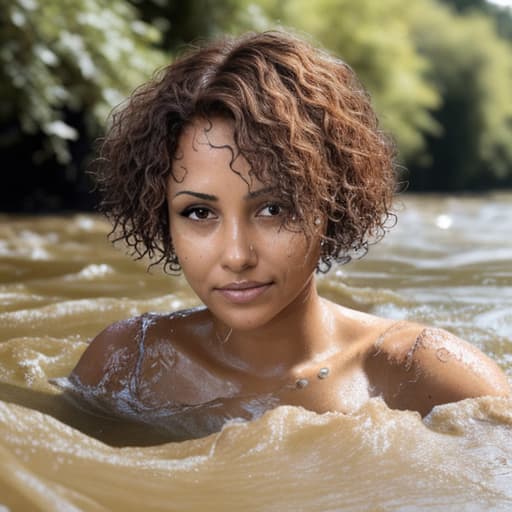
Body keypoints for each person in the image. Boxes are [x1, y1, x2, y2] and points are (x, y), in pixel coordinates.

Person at [64, 30, 510, 439]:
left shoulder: (426, 374)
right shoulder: (126, 363)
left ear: (331, 200)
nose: (236, 255)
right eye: (199, 212)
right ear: (162, 216)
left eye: (272, 209)